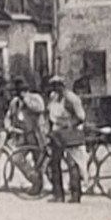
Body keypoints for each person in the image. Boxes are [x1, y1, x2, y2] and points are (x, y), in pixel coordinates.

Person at [44, 75, 87, 204]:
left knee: (72, 162)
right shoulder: (54, 98)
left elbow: (81, 117)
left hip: (70, 134)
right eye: (54, 86)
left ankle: (75, 194)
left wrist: (69, 125)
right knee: (54, 162)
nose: (56, 88)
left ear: (63, 85)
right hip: (57, 134)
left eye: (58, 85)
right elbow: (50, 115)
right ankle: (58, 194)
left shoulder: (72, 99)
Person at [3, 77, 48, 196]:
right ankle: (35, 180)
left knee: (40, 161)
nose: (19, 93)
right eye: (17, 91)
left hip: (37, 134)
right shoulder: (15, 102)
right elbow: (9, 116)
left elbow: (40, 109)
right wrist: (9, 127)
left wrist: (27, 100)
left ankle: (49, 187)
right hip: (23, 135)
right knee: (17, 158)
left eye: (21, 91)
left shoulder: (35, 98)